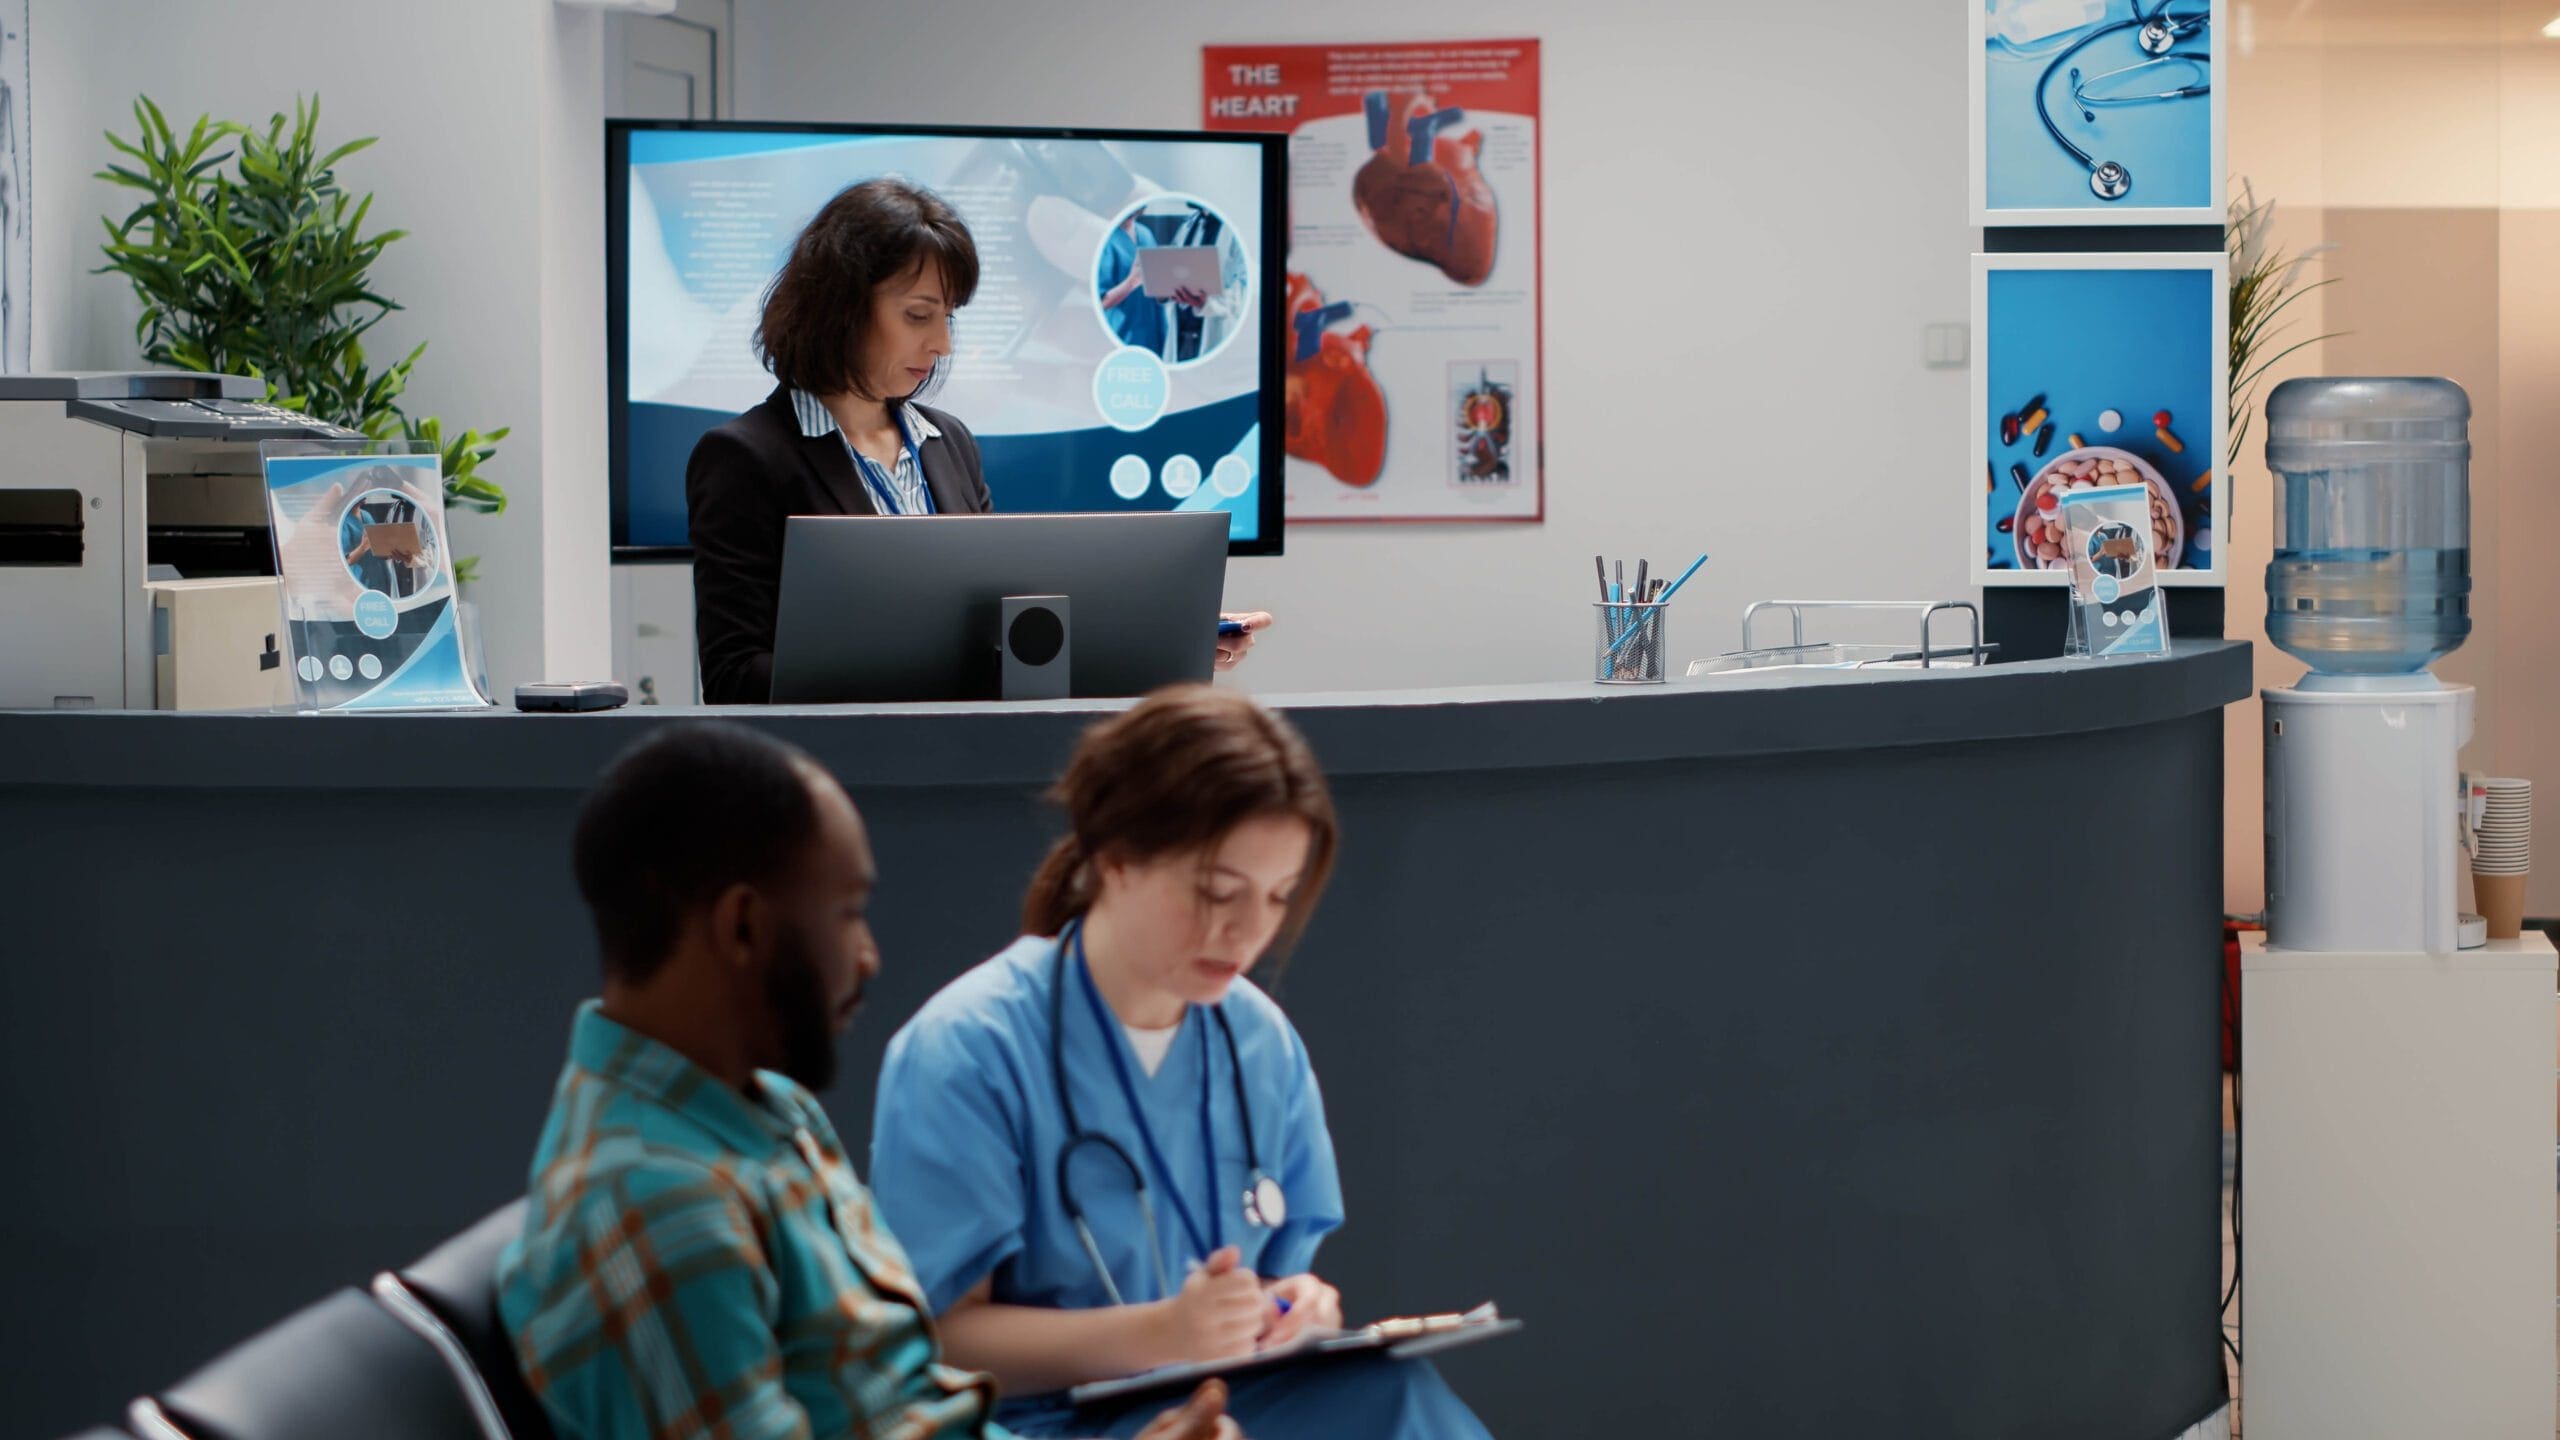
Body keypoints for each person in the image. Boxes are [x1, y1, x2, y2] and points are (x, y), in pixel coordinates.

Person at [496, 720, 1243, 1440]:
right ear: (744, 926)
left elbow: (901, 1398)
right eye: (848, 913)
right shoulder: (662, 1209)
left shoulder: (764, 1108)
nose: (868, 957)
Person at [867, 687, 1493, 1438]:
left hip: (1230, 1401)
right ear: (1116, 857)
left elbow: (1267, 1277)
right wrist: (1161, 1335)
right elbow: (932, 1343)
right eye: (1218, 891)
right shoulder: (970, 1048)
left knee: (1390, 1393)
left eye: (1277, 897)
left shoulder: (1259, 1043)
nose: (1248, 932)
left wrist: (1297, 1307)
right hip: (1042, 1424)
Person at [686, 179, 1268, 703]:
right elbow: (734, 677)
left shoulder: (949, 442)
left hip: (963, 760)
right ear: (838, 308)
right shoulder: (744, 458)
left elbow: (1007, 628)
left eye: (949, 318)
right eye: (919, 315)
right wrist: (906, 667)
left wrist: (1172, 636)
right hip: (840, 773)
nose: (942, 344)